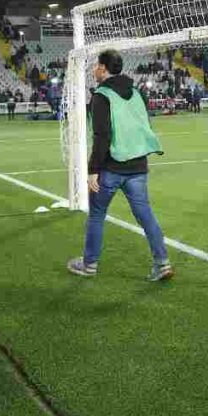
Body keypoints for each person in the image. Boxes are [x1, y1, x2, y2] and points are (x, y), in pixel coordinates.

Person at [68, 50, 174, 282]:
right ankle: (162, 262)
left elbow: (102, 135)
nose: (94, 69)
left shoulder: (101, 96)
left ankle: (89, 264)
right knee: (145, 215)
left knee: (96, 214)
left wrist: (93, 170)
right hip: (138, 164)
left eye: (96, 65)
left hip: (111, 167)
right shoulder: (136, 92)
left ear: (104, 68)